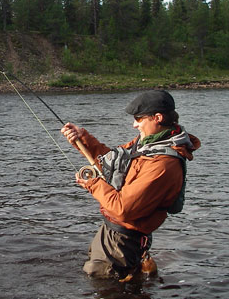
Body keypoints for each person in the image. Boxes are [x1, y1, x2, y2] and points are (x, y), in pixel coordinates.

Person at [60, 90, 200, 280]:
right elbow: (112, 162)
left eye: (139, 119)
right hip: (112, 234)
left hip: (123, 241)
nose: (134, 125)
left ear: (157, 118)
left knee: (105, 287)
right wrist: (82, 138)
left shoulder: (163, 165)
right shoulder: (146, 143)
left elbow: (123, 209)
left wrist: (92, 183)